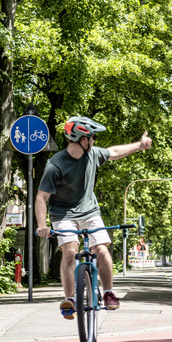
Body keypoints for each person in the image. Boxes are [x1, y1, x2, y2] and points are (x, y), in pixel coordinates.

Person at [35, 116, 152, 318]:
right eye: (92, 137)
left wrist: (139, 145)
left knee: (102, 250)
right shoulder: (55, 165)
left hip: (90, 212)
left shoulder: (93, 155)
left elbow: (114, 152)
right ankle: (70, 299)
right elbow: (41, 197)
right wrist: (41, 225)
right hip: (63, 214)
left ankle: (108, 293)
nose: (94, 141)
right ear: (82, 139)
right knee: (70, 251)